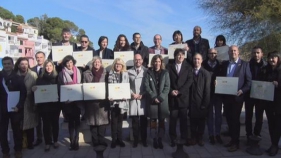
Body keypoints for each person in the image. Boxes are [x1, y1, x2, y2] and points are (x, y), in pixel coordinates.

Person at [221, 45, 251, 152]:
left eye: (235, 51)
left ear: (238, 52)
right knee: (228, 119)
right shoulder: (225, 64)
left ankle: (236, 143)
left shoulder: (244, 65)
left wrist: (242, 91)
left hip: (237, 97)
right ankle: (232, 140)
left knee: (235, 120)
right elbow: (222, 78)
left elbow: (248, 82)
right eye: (231, 51)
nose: (233, 52)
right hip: (226, 97)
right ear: (228, 53)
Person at [0, 57, 26, 158]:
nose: (7, 66)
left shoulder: (18, 77)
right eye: (5, 64)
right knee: (2, 131)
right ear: (3, 65)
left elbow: (23, 93)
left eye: (8, 64)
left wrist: (19, 106)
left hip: (15, 108)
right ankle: (5, 151)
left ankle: (18, 150)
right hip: (2, 108)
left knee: (17, 130)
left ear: (12, 64)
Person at [32, 60, 61, 151]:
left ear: (53, 67)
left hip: (55, 105)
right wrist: (34, 89)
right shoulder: (39, 79)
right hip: (44, 106)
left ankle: (55, 140)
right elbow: (37, 91)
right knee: (46, 124)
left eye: (50, 66)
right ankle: (47, 142)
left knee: (55, 123)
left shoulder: (57, 78)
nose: (49, 67)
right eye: (47, 66)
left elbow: (61, 90)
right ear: (44, 67)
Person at [166, 49, 193, 147]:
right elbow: (167, 81)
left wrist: (180, 91)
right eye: (178, 55)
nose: (180, 57)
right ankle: (172, 138)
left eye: (182, 55)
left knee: (183, 120)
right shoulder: (169, 67)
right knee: (172, 120)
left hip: (183, 97)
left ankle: (184, 138)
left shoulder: (188, 67)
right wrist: (171, 91)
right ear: (175, 56)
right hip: (172, 98)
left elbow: (189, 81)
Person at [82, 56, 109, 147]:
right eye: (95, 62)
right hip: (91, 102)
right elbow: (84, 86)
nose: (97, 63)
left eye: (98, 62)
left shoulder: (106, 73)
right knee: (92, 123)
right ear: (92, 64)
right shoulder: (86, 73)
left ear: (101, 63)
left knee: (102, 122)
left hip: (102, 102)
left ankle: (101, 140)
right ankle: (95, 141)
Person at [144, 54, 170, 149]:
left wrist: (160, 97)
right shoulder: (148, 72)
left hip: (162, 101)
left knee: (162, 121)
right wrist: (153, 96)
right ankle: (154, 138)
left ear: (161, 62)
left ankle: (160, 139)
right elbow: (146, 86)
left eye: (159, 61)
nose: (157, 63)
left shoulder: (165, 72)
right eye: (155, 61)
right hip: (152, 101)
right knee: (153, 121)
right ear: (153, 62)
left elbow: (167, 87)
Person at [259, 51, 281, 156]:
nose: (272, 60)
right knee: (271, 124)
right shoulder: (265, 70)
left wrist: (278, 85)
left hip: (278, 103)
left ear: (279, 58)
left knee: (277, 124)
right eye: (270, 58)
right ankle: (273, 143)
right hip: (268, 102)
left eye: (274, 58)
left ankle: (275, 145)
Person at [58, 55, 82, 150]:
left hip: (77, 101)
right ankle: (72, 141)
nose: (69, 64)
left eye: (71, 62)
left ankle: (77, 140)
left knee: (77, 122)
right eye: (67, 62)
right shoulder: (61, 73)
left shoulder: (78, 71)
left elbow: (81, 85)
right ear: (65, 64)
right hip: (68, 102)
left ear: (73, 63)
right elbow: (60, 88)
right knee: (71, 123)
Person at [14, 57, 38, 150]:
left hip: (29, 100)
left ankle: (30, 142)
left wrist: (35, 89)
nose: (24, 66)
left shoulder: (33, 74)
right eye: (22, 64)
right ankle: (20, 143)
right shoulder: (15, 75)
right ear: (18, 65)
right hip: (18, 101)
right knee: (18, 124)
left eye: (26, 64)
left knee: (30, 124)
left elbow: (37, 85)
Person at [244, 46, 267, 144]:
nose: (256, 55)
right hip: (249, 94)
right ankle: (249, 135)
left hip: (261, 95)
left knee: (259, 116)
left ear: (262, 54)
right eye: (254, 53)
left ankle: (257, 134)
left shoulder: (266, 66)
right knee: (248, 116)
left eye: (258, 52)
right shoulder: (248, 65)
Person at [189, 53, 211, 147]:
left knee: (201, 121)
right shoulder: (190, 71)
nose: (196, 61)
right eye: (194, 59)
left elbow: (207, 90)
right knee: (192, 121)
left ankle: (200, 138)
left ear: (201, 60)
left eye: (198, 59)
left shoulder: (206, 73)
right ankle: (193, 137)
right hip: (191, 102)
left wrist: (204, 104)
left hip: (202, 102)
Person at [203, 48, 223, 145]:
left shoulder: (221, 65)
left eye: (214, 53)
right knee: (209, 115)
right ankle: (211, 135)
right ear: (207, 54)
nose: (213, 55)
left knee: (218, 115)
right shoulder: (203, 64)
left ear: (217, 54)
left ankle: (218, 134)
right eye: (211, 53)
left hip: (218, 94)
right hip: (208, 93)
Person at [108, 58, 129, 148]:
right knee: (114, 122)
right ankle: (114, 140)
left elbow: (127, 86)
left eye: (120, 64)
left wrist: (126, 95)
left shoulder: (125, 74)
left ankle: (120, 139)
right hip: (113, 102)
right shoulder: (110, 74)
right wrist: (110, 96)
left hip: (122, 102)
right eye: (116, 64)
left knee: (120, 122)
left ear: (122, 66)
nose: (118, 65)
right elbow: (108, 87)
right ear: (114, 65)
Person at [128, 54, 148, 148]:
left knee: (144, 122)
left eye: (139, 59)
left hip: (143, 99)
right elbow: (126, 85)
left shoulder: (147, 71)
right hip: (133, 99)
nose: (138, 61)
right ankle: (135, 140)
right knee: (135, 123)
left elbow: (149, 85)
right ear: (133, 61)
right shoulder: (129, 71)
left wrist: (143, 94)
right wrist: (132, 94)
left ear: (142, 60)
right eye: (136, 60)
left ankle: (144, 140)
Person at [31, 51, 46, 146]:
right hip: (36, 98)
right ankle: (39, 138)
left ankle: (49, 138)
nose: (39, 59)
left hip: (47, 98)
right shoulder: (32, 70)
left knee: (47, 120)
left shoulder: (49, 67)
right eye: (37, 57)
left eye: (41, 57)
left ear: (44, 58)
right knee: (37, 120)